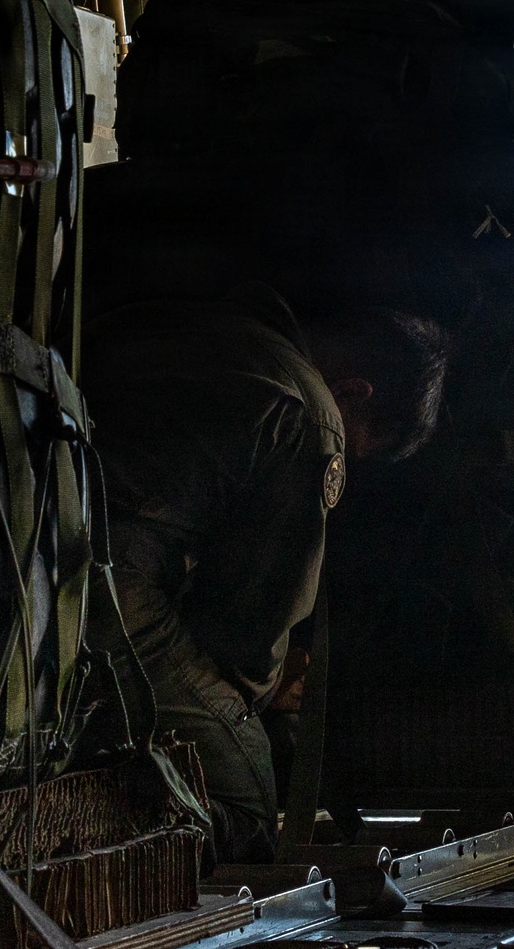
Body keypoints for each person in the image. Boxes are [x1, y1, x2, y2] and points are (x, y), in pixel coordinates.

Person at [82, 284, 446, 865]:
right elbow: (254, 627)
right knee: (247, 793)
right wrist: (260, 698)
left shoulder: (226, 321)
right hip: (99, 580)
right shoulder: (313, 415)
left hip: (28, 530)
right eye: (359, 450)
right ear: (353, 393)